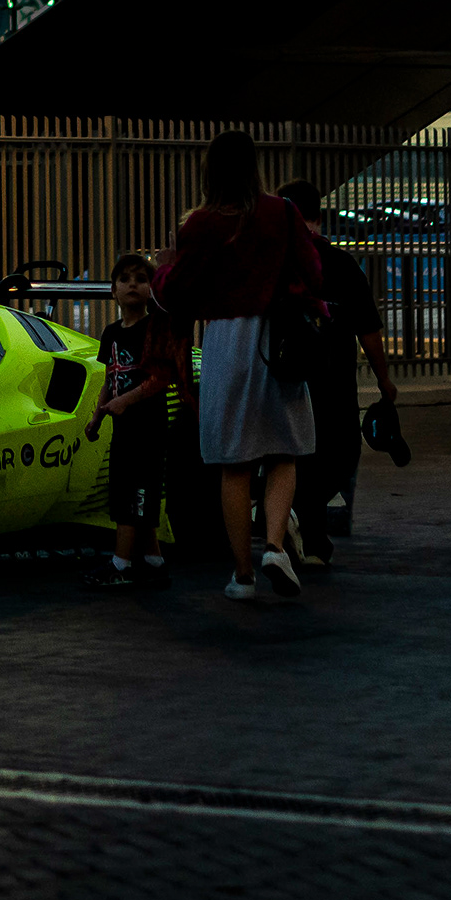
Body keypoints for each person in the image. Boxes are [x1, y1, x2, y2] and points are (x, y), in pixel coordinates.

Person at [160, 130, 320, 603]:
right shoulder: (282, 213)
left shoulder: (200, 224)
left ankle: (243, 576)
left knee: (233, 463)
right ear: (255, 166)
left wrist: (166, 269)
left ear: (210, 169)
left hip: (225, 343)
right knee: (283, 451)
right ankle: (274, 544)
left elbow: (176, 292)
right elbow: (313, 272)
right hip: (277, 340)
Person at [276, 178, 400, 559]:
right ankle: (304, 528)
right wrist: (383, 380)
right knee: (340, 453)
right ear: (317, 215)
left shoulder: (277, 264)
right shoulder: (341, 263)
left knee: (292, 456)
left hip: (286, 376)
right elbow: (368, 328)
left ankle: (301, 529)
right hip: (333, 377)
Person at [82, 251, 180, 591]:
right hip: (122, 428)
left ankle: (121, 563)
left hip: (148, 427)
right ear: (113, 290)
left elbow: (160, 378)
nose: (132, 285)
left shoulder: (155, 329)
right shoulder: (111, 333)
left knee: (137, 494)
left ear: (151, 288)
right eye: (125, 280)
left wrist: (127, 400)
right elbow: (110, 378)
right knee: (127, 488)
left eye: (141, 279)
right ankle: (153, 561)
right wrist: (97, 417)